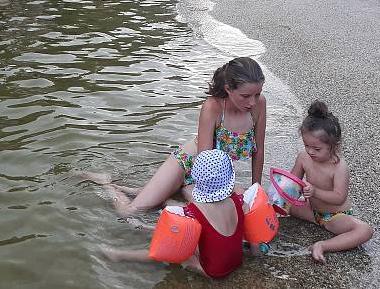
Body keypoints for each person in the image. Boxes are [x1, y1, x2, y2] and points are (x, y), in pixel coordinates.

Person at [81, 57, 266, 216]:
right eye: (246, 96)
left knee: (231, 210)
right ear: (228, 89)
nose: (252, 102)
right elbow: (203, 159)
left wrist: (256, 190)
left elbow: (259, 149)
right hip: (187, 165)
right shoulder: (213, 107)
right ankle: (106, 182)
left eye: (257, 94)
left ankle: (164, 196)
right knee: (131, 211)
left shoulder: (259, 105)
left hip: (215, 177)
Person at [99, 150, 249, 279]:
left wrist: (145, 226)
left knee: (168, 250)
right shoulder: (237, 201)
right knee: (196, 236)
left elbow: (174, 235)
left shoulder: (194, 213)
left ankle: (120, 255)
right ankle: (119, 190)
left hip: (213, 271)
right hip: (237, 261)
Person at [288, 101, 374, 264]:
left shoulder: (339, 167)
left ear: (333, 146)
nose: (310, 151)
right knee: (279, 204)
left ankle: (323, 245)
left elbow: (339, 197)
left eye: (317, 149)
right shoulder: (303, 157)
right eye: (307, 145)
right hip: (312, 212)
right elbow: (293, 184)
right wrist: (284, 191)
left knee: (365, 230)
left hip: (334, 217)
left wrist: (314, 192)